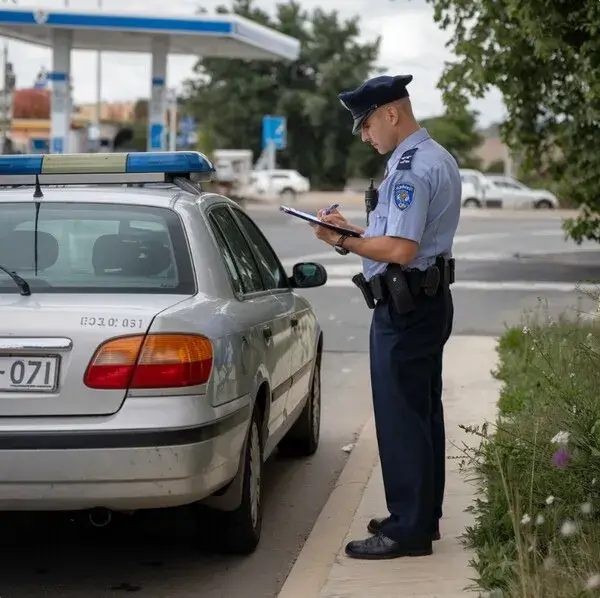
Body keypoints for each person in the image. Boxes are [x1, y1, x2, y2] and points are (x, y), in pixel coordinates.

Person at [311, 74, 461, 560]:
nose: (364, 135)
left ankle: (407, 531)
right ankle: (420, 517)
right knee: (421, 414)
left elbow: (399, 247)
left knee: (401, 418)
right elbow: (400, 235)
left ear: (391, 114)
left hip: (406, 305)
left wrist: (340, 240)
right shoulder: (436, 156)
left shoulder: (409, 170)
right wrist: (353, 231)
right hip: (425, 300)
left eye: (368, 123)